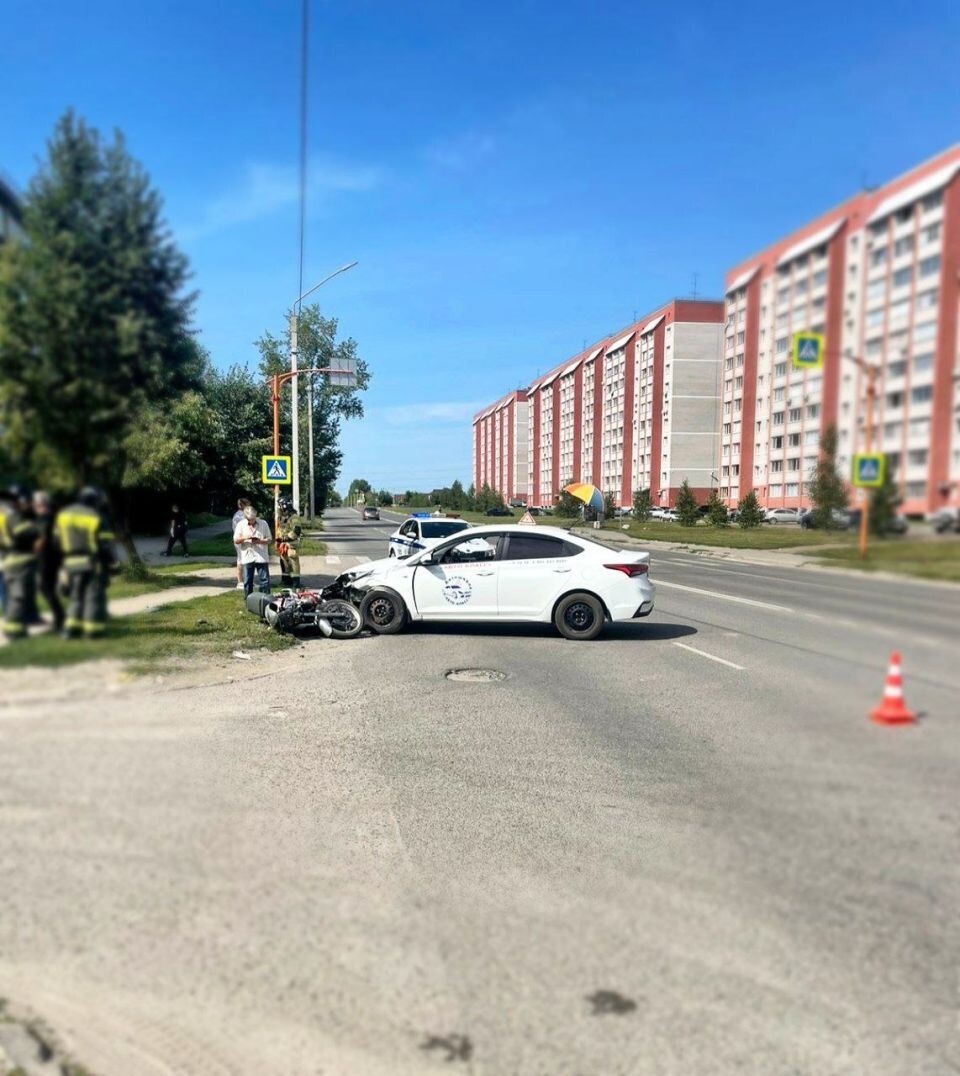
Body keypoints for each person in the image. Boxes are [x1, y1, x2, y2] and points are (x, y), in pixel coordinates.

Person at [57, 486, 118, 639]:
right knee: (92, 596)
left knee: (76, 596)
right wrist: (113, 563)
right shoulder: (95, 516)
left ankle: (71, 630)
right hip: (91, 563)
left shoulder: (64, 515)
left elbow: (56, 540)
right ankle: (93, 631)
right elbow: (104, 544)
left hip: (70, 562)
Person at [1, 486, 40, 641]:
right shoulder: (11, 514)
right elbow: (22, 532)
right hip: (19, 559)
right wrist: (35, 528)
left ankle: (16, 627)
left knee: (13, 595)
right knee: (19, 596)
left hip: (8, 558)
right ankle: (13, 629)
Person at [33, 490, 64, 633]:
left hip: (48, 558)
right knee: (47, 588)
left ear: (40, 503)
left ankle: (60, 618)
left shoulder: (46, 517)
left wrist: (33, 548)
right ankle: (60, 617)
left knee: (46, 588)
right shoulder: (49, 516)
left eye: (36, 503)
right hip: (50, 557)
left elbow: (43, 538)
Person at [233, 504, 272, 598]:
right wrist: (245, 538)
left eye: (253, 518)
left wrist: (260, 541)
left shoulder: (263, 523)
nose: (252, 521)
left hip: (261, 555)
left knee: (264, 579)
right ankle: (248, 599)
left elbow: (269, 539)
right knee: (247, 580)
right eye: (249, 520)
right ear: (246, 518)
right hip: (247, 555)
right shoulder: (241, 525)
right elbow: (236, 540)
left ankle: (265, 598)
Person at [276, 496, 303, 589]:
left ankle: (296, 584)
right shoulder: (283, 517)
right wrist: (279, 540)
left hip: (291, 546)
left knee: (293, 565)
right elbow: (281, 529)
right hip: (283, 546)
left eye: (279, 506)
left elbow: (296, 531)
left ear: (284, 506)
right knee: (284, 564)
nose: (278, 508)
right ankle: (285, 582)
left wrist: (285, 538)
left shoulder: (294, 517)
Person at [231, 497, 251, 591]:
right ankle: (240, 582)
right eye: (247, 504)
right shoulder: (239, 516)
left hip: (246, 540)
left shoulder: (244, 514)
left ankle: (247, 580)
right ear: (242, 505)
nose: (249, 506)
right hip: (240, 540)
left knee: (247, 560)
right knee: (240, 560)